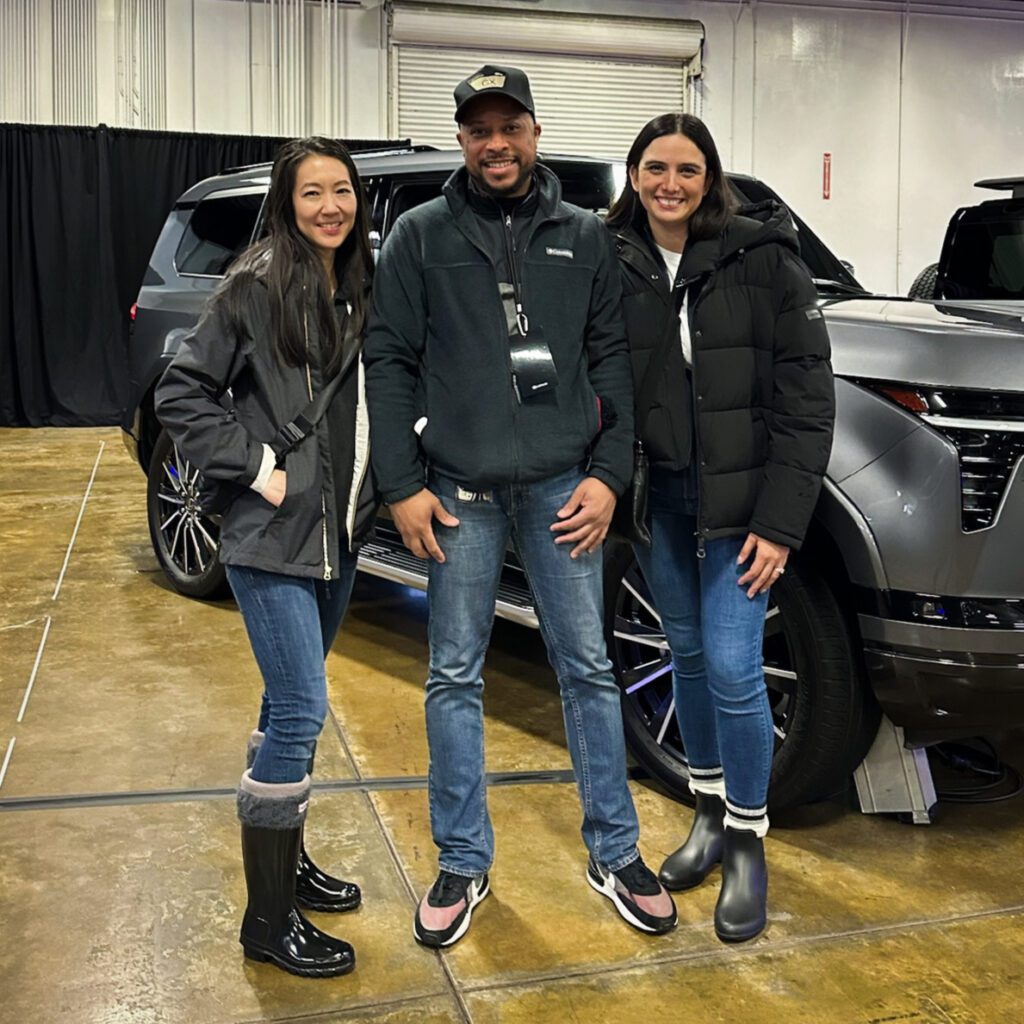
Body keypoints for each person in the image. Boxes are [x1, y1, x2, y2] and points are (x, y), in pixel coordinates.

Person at [363, 65, 677, 948]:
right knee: (454, 674)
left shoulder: (584, 236)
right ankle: (463, 862)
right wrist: (400, 485)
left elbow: (611, 362)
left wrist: (608, 476)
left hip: (560, 491)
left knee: (587, 669)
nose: (495, 144)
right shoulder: (419, 238)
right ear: (459, 140)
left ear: (535, 133)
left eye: (510, 127)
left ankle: (616, 851)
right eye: (478, 130)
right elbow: (386, 361)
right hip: (456, 493)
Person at [606, 113, 835, 943]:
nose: (671, 184)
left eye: (688, 169)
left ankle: (746, 839)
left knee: (737, 669)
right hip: (659, 504)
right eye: (656, 168)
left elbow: (809, 404)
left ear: (711, 178)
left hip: (741, 516)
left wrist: (780, 524)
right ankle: (705, 810)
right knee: (688, 659)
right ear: (634, 175)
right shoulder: (613, 259)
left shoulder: (766, 259)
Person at [156, 137, 377, 977]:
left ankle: (291, 858)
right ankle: (266, 919)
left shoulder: (357, 283)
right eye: (312, 192)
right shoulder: (255, 284)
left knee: (287, 704)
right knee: (298, 711)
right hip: (268, 537)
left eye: (342, 191)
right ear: (286, 202)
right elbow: (182, 390)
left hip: (337, 538)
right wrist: (255, 466)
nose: (330, 205)